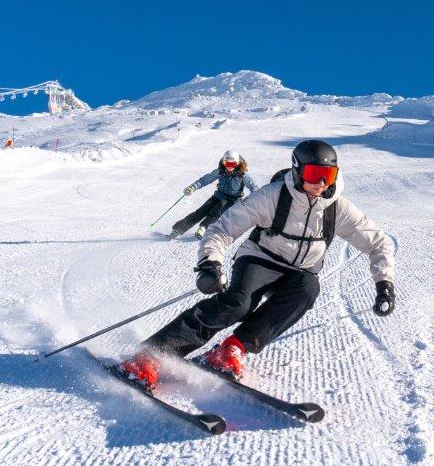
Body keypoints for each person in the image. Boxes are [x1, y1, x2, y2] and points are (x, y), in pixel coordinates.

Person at [121, 139, 395, 387]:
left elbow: (378, 242)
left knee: (308, 289)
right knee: (238, 303)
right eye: (314, 174)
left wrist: (384, 283)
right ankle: (151, 355)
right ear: (298, 171)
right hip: (261, 259)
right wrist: (210, 264)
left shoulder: (337, 207)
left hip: (300, 272)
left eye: (329, 175)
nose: (321, 183)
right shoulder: (272, 196)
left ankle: (232, 348)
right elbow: (222, 229)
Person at [167, 150, 258, 240]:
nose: (229, 167)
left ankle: (204, 227)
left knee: (217, 210)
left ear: (237, 163)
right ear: (224, 162)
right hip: (218, 196)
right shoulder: (220, 171)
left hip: (233, 200)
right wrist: (192, 187)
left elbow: (253, 187)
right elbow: (205, 180)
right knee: (201, 211)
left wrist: (256, 199)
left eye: (232, 164)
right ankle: (179, 229)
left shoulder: (243, 174)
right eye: (227, 164)